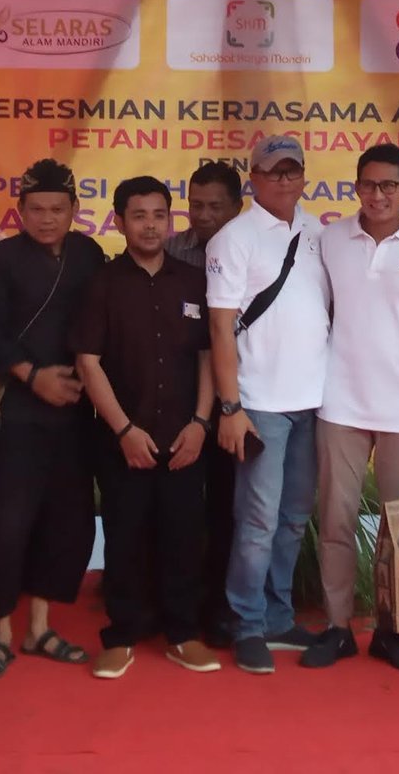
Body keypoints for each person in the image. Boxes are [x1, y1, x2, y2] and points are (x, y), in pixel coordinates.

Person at [302, 143, 399, 673]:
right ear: (356, 187)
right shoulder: (332, 239)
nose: (378, 194)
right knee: (335, 520)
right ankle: (338, 628)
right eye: (368, 184)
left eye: (389, 185)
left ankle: (392, 632)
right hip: (340, 403)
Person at [0, 158, 106, 681]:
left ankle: (40, 627)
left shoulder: (89, 255)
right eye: (37, 209)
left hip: (74, 411)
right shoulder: (0, 260)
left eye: (57, 209)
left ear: (74, 210)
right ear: (20, 211)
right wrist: (32, 375)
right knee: (6, 524)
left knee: (64, 522)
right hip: (18, 409)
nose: (47, 219)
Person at [72, 175, 219, 679]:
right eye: (139, 216)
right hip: (123, 441)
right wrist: (123, 431)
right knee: (124, 537)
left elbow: (209, 355)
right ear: (119, 221)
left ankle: (183, 634)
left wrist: (201, 423)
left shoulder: (193, 281)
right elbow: (88, 362)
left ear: (170, 219)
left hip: (185, 437)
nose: (150, 225)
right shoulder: (102, 284)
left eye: (159, 215)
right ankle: (121, 635)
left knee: (184, 537)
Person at [207, 135, 331, 675]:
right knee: (257, 521)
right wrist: (230, 407)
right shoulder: (233, 239)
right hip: (258, 404)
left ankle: (279, 617)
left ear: (304, 176)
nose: (283, 179)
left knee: (294, 518)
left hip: (315, 402)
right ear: (252, 178)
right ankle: (247, 624)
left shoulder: (319, 233)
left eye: (292, 170)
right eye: (273, 171)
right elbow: (219, 328)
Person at [164, 160, 245, 648]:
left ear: (237, 207)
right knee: (180, 510)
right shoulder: (172, 250)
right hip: (181, 398)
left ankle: (221, 606)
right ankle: (175, 602)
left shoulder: (253, 248)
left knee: (227, 507)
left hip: (238, 400)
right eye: (196, 205)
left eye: (216, 206)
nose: (204, 215)